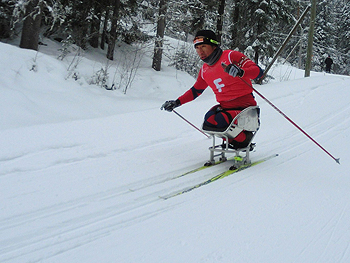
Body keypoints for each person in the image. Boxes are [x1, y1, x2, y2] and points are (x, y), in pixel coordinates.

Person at [161, 30, 263, 149]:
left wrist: (241, 72)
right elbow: (195, 91)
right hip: (225, 107)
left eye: (204, 46)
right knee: (209, 120)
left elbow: (258, 72)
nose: (200, 51)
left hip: (245, 106)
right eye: (197, 48)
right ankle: (234, 140)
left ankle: (245, 140)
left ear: (214, 46)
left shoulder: (230, 56)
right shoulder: (204, 70)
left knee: (221, 120)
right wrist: (177, 102)